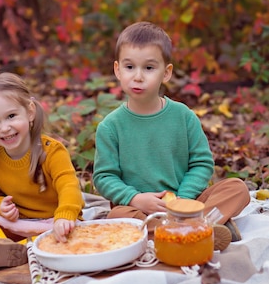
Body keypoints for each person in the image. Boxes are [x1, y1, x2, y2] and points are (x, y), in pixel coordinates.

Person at [93, 21, 250, 251]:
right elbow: (104, 177)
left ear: (166, 73)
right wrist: (136, 198)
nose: (138, 77)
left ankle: (191, 225)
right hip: (142, 208)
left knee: (237, 188)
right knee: (118, 215)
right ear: (117, 70)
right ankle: (202, 229)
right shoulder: (111, 127)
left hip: (187, 202)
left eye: (149, 68)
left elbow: (201, 163)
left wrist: (183, 200)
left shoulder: (183, 116)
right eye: (129, 67)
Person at [0, 72, 84, 274]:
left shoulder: (52, 151)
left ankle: (20, 253)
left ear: (30, 112)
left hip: (54, 223)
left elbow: (69, 185)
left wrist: (65, 215)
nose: (5, 128)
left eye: (11, 116)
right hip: (16, 224)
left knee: (68, 235)